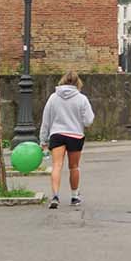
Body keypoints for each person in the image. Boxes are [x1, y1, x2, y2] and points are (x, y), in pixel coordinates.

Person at [38, 70, 96, 209]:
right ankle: (74, 196)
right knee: (74, 167)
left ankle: (55, 196)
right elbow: (89, 120)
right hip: (75, 134)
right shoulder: (82, 98)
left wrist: (43, 140)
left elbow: (46, 120)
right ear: (78, 83)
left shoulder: (53, 97)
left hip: (57, 133)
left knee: (57, 165)